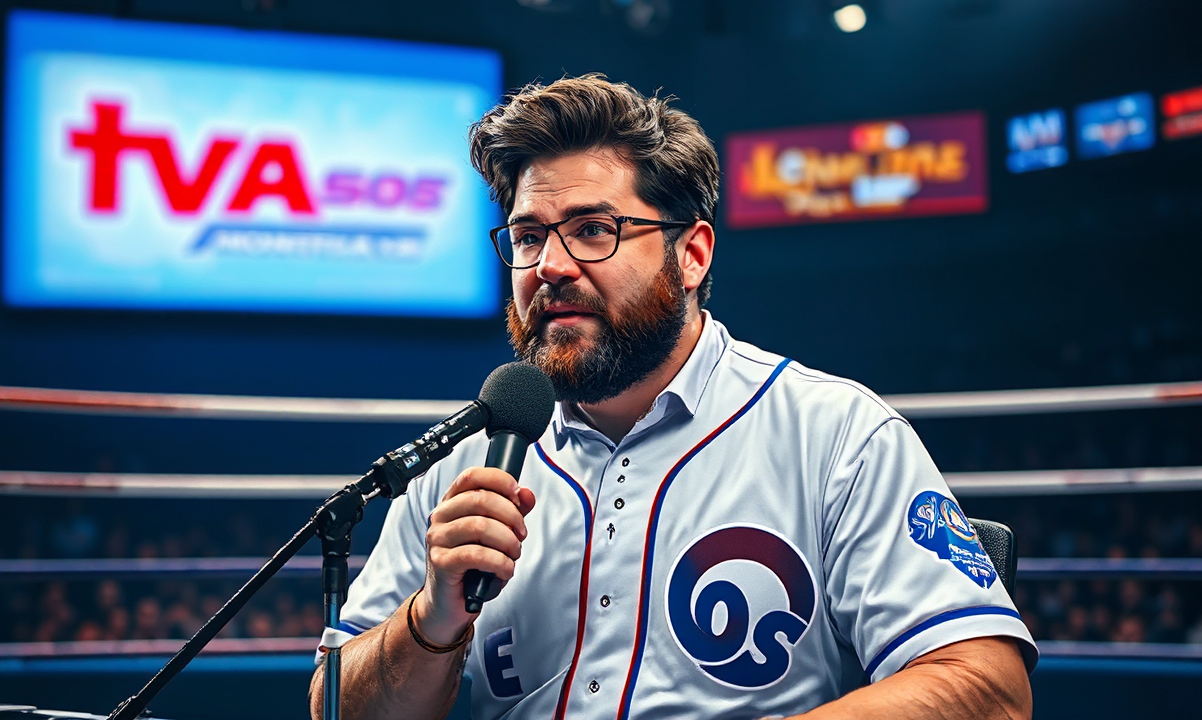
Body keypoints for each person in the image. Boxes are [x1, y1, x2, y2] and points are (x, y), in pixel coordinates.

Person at [310, 74, 1035, 720]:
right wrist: (431, 619)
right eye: (529, 237)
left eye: (593, 230)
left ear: (690, 256)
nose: (550, 266)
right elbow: (337, 708)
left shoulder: (837, 434)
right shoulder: (465, 466)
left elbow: (988, 688)